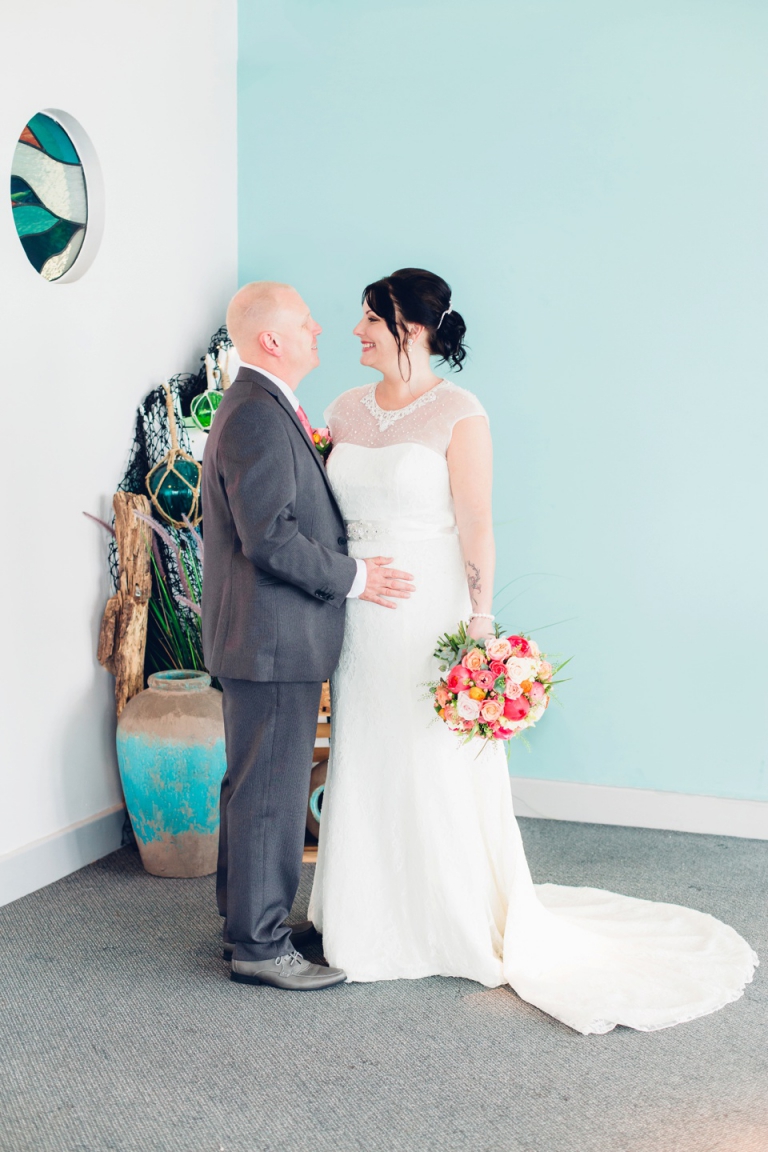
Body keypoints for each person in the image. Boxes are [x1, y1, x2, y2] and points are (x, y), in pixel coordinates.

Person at [308, 267, 758, 1033]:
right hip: (361, 613)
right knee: (367, 750)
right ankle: (362, 912)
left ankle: (447, 915)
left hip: (427, 612)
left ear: (410, 330)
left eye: (369, 322)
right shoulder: (342, 411)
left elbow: (476, 522)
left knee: (432, 756)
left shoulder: (459, 414)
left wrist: (479, 618)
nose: (356, 333)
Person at [201, 281, 415, 990]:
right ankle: (260, 950)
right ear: (271, 340)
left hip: (264, 636)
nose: (320, 329)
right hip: (271, 637)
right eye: (304, 321)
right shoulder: (257, 414)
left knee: (256, 786)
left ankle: (247, 927)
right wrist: (356, 577)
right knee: (270, 791)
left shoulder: (260, 406)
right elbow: (271, 539)